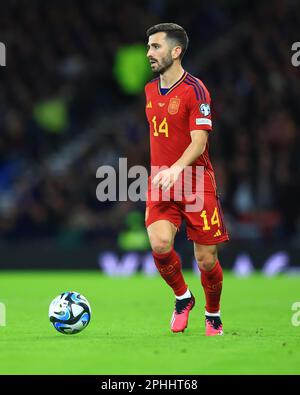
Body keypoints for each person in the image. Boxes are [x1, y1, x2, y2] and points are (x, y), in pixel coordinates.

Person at [144, 23, 229, 336]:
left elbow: (199, 142)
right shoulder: (150, 90)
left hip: (194, 180)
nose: (149, 53)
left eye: (156, 46)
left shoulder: (196, 89)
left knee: (206, 260)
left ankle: (213, 313)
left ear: (176, 51)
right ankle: (182, 297)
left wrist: (176, 168)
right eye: (149, 46)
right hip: (161, 180)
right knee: (159, 242)